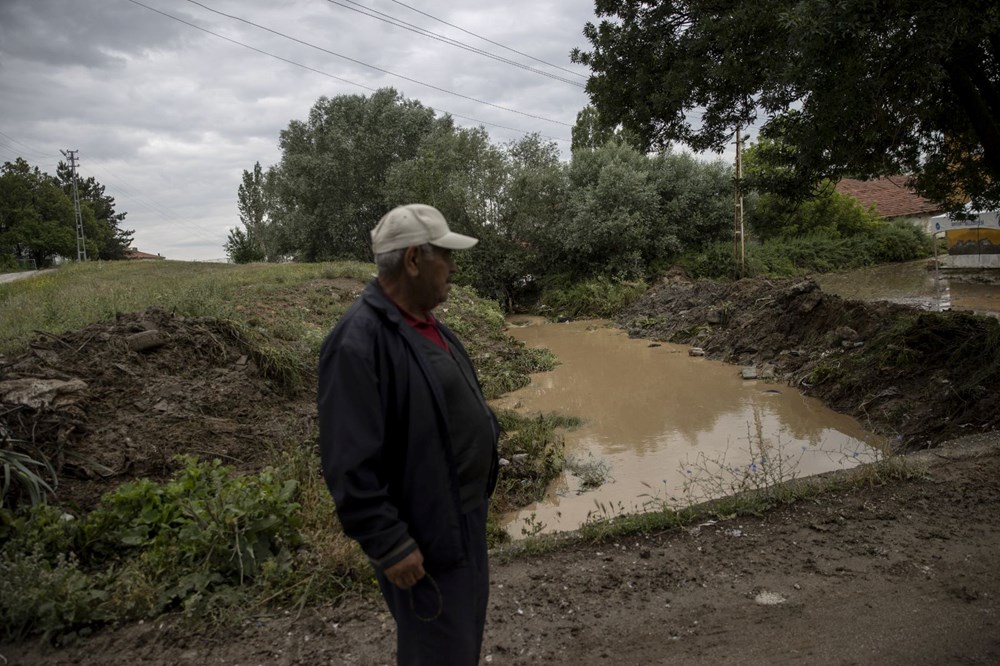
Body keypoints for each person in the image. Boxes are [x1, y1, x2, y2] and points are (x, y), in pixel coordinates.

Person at [318, 203, 500, 665]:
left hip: (460, 521)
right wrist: (389, 543)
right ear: (414, 260)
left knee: (461, 641)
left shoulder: (425, 322)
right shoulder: (357, 342)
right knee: (438, 652)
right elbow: (349, 459)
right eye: (445, 255)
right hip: (424, 536)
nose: (453, 267)